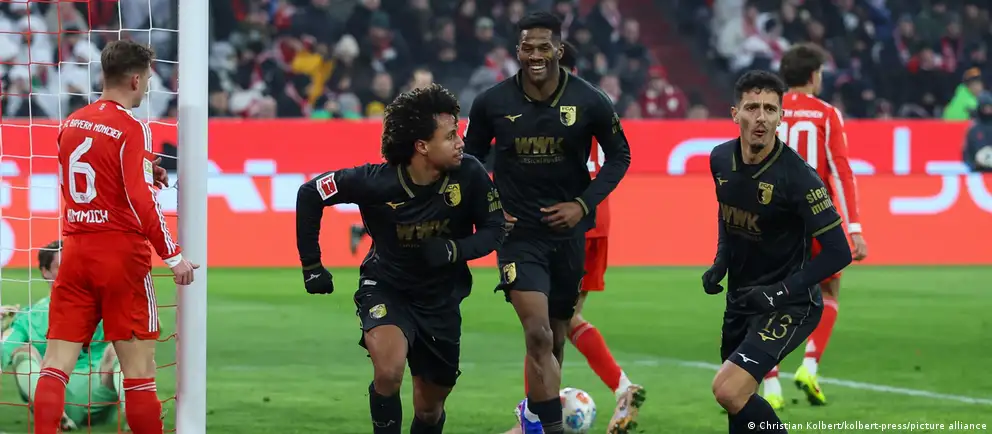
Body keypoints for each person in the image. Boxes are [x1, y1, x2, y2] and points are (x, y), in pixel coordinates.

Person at [295, 84, 506, 434]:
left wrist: (454, 250)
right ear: (422, 146)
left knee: (429, 409)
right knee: (388, 371)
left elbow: (495, 227)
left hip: (440, 299)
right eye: (450, 136)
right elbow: (310, 192)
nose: (461, 142)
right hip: (387, 287)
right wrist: (311, 265)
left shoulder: (470, 174)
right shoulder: (375, 182)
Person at [464, 12, 632, 434]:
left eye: (543, 47)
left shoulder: (590, 100)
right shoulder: (491, 103)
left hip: (568, 235)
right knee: (537, 334)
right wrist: (489, 208)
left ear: (559, 49)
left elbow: (620, 156)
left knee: (556, 338)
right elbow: (469, 161)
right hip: (518, 236)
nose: (535, 55)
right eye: (527, 48)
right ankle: (550, 429)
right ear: (517, 51)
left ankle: (534, 420)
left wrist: (582, 204)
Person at [36, 40, 198, 434]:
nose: (148, 87)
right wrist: (173, 256)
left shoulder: (72, 122)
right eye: (148, 79)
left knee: (54, 365)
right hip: (121, 257)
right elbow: (141, 201)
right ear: (136, 79)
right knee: (139, 373)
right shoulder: (131, 127)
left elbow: (92, 174)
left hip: (75, 251)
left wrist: (145, 170)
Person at [502, 41, 644, 434]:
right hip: (596, 220)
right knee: (561, 322)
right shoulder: (596, 103)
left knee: (543, 327)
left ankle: (534, 418)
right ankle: (618, 389)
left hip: (563, 224)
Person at [704, 70, 852, 434]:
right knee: (738, 404)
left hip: (789, 304)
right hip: (742, 299)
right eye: (752, 107)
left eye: (770, 109)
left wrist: (781, 292)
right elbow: (727, 211)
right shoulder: (720, 159)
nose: (761, 117)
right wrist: (721, 261)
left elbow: (839, 252)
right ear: (735, 113)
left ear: (781, 117)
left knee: (728, 389)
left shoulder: (798, 177)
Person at [762, 43, 868, 409]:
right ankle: (808, 366)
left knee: (772, 298)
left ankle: (771, 388)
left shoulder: (767, 111)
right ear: (813, 75)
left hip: (774, 218)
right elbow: (841, 172)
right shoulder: (826, 114)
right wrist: (854, 228)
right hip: (817, 216)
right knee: (829, 290)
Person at [1, 241, 125, 431]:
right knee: (22, 352)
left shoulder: (105, 307)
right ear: (45, 272)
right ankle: (54, 416)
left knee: (120, 348)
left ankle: (134, 413)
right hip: (52, 395)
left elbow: (150, 330)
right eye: (63, 267)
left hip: (99, 393)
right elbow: (4, 351)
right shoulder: (29, 317)